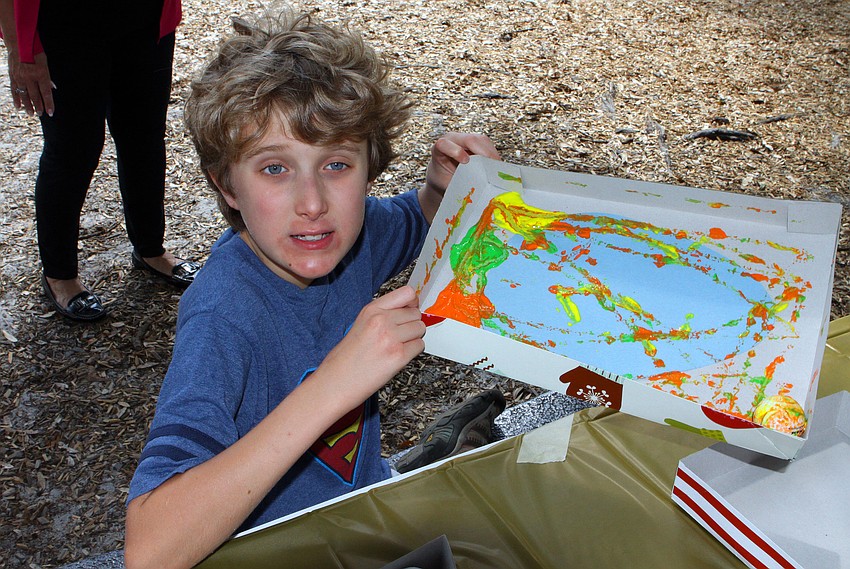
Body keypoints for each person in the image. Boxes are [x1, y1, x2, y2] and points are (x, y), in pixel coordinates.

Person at [123, 8, 501, 569]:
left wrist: (438, 191)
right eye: (275, 168)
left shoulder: (349, 241)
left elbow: (412, 221)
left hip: (358, 517)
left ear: (369, 169)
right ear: (227, 185)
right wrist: (336, 384)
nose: (313, 203)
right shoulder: (223, 315)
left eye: (337, 165)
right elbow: (151, 550)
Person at [0, 0, 200, 322]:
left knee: (145, 137)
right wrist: (20, 50)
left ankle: (151, 249)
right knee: (73, 151)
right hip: (63, 25)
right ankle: (59, 274)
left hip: (143, 19)